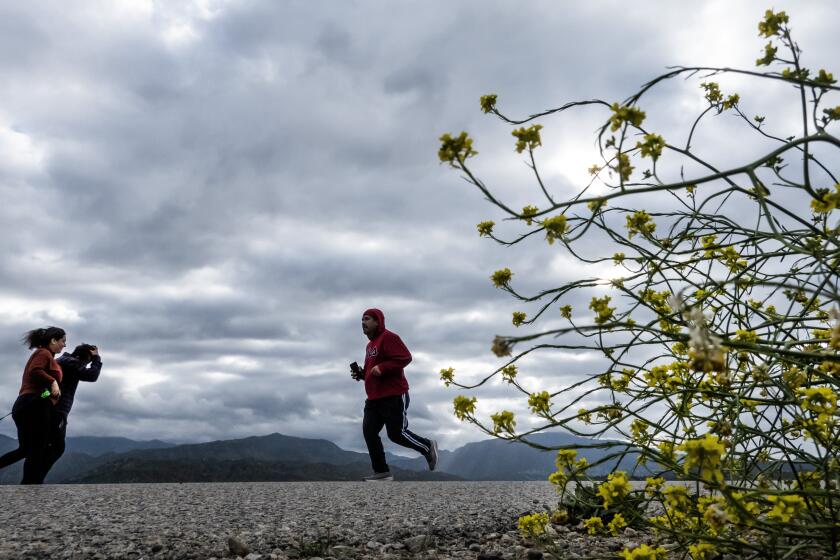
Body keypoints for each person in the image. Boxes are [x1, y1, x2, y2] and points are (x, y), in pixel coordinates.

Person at [354, 308, 437, 481]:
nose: (363, 323)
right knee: (369, 432)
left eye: (367, 319)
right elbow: (374, 370)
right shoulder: (370, 346)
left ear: (378, 321)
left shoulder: (389, 337)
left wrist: (382, 368)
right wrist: (363, 374)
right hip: (374, 398)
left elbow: (405, 357)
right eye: (362, 320)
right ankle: (382, 473)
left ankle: (427, 446)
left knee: (396, 434)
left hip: (393, 394)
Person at [0, 327, 65, 484]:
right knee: (42, 447)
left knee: (28, 449)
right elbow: (35, 371)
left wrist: (50, 395)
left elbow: (40, 392)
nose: (64, 345)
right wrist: (53, 381)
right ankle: (30, 486)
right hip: (32, 407)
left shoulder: (46, 355)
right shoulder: (43, 353)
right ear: (53, 340)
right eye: (63, 341)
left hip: (32, 404)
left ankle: (29, 485)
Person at [40, 343, 102, 480]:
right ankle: (34, 481)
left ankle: (32, 480)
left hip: (49, 408)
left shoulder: (61, 361)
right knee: (57, 447)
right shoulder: (71, 363)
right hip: (57, 410)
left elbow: (45, 389)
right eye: (88, 361)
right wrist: (97, 359)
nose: (86, 365)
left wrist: (45, 397)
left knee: (42, 447)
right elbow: (92, 375)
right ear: (84, 358)